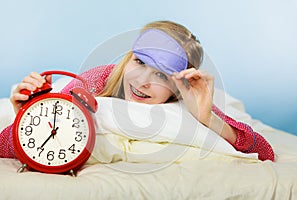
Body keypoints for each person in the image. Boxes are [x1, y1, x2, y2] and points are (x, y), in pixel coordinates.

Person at [0, 20, 274, 161]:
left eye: (161, 75)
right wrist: (24, 113)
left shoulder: (189, 99)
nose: (142, 81)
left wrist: (206, 118)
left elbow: (265, 152)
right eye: (139, 62)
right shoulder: (98, 80)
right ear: (128, 57)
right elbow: (8, 146)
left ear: (180, 86)